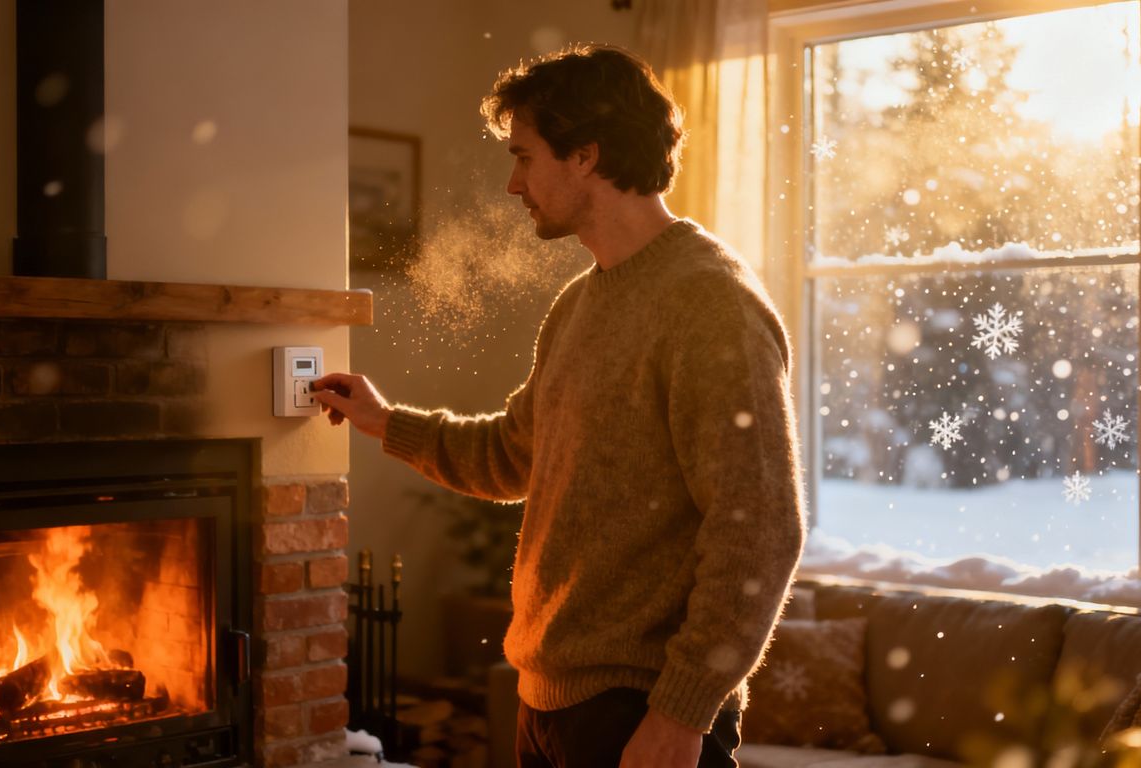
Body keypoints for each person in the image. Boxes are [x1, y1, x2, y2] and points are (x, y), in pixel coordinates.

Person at [313, 44, 805, 768]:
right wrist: (385, 421)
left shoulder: (710, 303)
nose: (514, 184)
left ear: (585, 155)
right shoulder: (579, 304)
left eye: (524, 156)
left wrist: (681, 713)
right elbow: (515, 457)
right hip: (550, 704)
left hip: (639, 712)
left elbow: (761, 530)